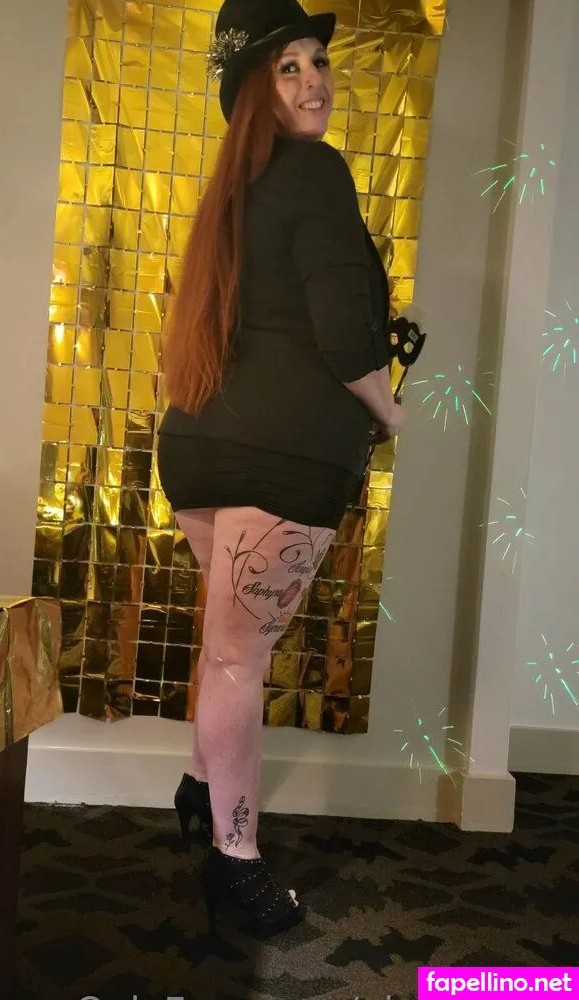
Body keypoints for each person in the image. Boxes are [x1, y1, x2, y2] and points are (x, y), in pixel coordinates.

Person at [157, 0, 406, 938]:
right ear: (254, 91)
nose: (313, 82)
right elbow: (345, 335)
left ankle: (200, 787)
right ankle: (237, 861)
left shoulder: (238, 187)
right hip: (285, 451)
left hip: (199, 443)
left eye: (316, 62)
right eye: (287, 68)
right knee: (239, 657)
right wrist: (395, 414)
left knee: (223, 644)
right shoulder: (318, 171)